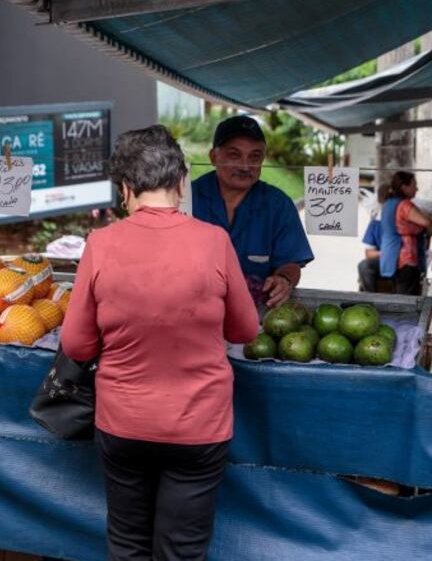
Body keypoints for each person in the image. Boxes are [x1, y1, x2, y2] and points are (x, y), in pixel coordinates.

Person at [61, 125, 259, 561]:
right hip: (198, 426)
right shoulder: (214, 242)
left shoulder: (101, 244)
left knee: (128, 546)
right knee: (181, 552)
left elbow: (76, 345)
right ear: (182, 183)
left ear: (126, 189)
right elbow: (245, 330)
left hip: (123, 422)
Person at [192, 115, 314, 308]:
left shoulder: (278, 205)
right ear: (213, 157)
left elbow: (291, 263)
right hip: (191, 313)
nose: (245, 166)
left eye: (254, 157)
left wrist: (283, 280)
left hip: (255, 317)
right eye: (234, 155)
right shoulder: (185, 199)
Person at [379, 171, 432, 296]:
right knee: (407, 298)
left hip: (391, 255)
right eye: (414, 185)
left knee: (398, 293)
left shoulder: (388, 203)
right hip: (405, 257)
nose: (416, 189)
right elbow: (426, 222)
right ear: (404, 187)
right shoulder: (404, 205)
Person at [358, 184, 390, 292]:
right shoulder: (376, 223)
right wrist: (388, 252)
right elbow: (369, 253)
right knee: (364, 266)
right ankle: (370, 300)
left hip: (404, 262)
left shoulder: (407, 220)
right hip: (384, 260)